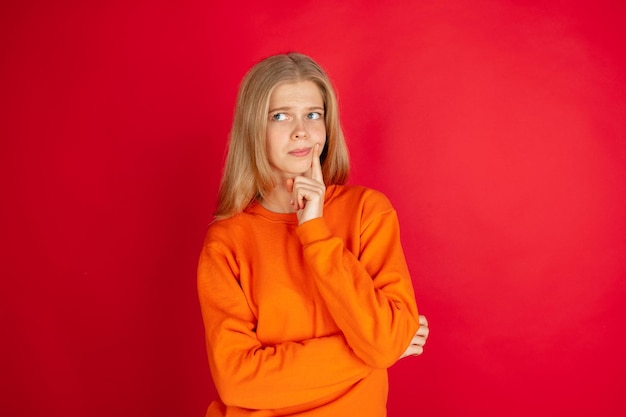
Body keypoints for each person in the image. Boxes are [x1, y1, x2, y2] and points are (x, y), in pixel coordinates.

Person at [197, 52, 429, 417]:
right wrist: (369, 351)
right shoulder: (227, 241)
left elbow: (384, 342)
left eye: (313, 114)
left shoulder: (368, 212)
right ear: (253, 128)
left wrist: (314, 231)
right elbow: (237, 380)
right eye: (280, 115)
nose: (301, 130)